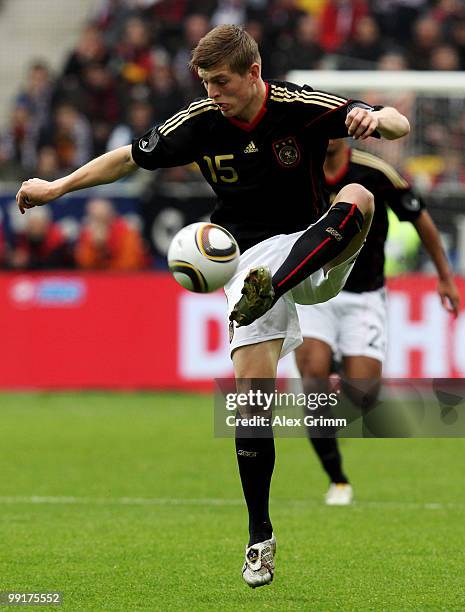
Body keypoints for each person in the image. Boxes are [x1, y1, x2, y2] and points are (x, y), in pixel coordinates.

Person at [16, 25, 410, 588]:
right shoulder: (199, 122)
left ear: (254, 74)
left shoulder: (299, 106)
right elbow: (126, 159)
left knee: (360, 198)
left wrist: (376, 119)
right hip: (246, 262)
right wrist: (57, 188)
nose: (212, 93)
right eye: (205, 83)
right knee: (253, 399)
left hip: (315, 252)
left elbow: (398, 123)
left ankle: (275, 285)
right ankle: (260, 538)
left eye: (221, 82)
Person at [295, 138, 460, 505]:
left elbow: (422, 221)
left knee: (362, 394)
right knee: (312, 378)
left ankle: (339, 361)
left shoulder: (375, 172)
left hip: (364, 297)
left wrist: (445, 277)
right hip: (314, 293)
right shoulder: (295, 166)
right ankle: (337, 479)